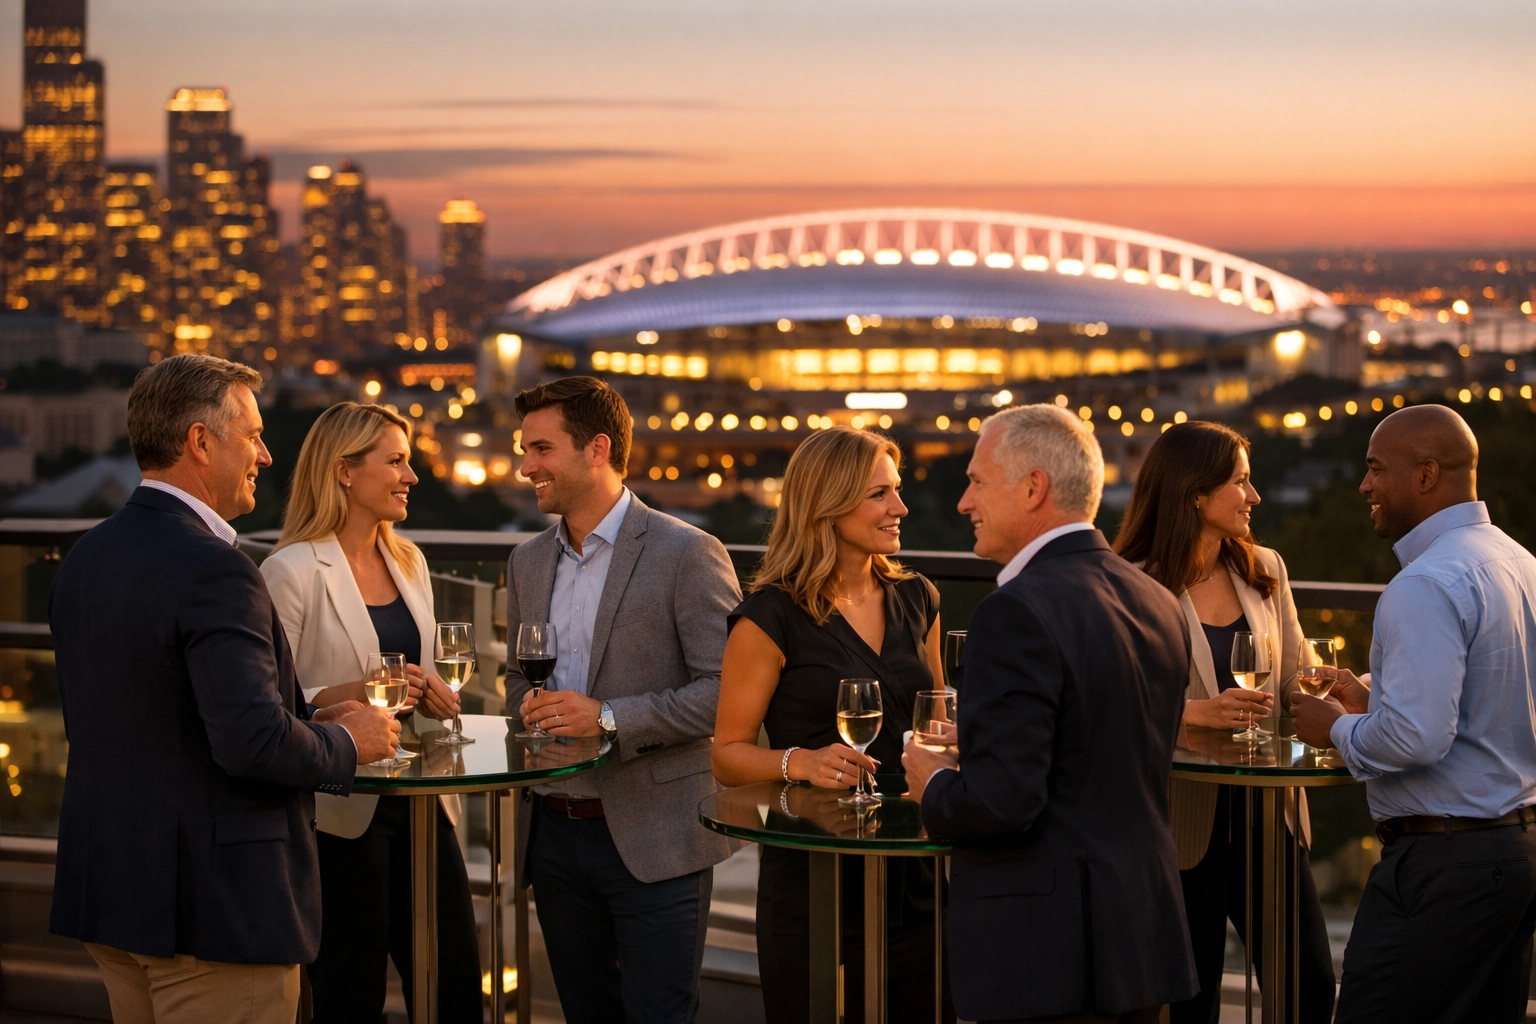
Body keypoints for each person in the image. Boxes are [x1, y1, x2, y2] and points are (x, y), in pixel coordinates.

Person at [47, 355, 399, 1024]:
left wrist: (311, 708)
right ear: (201, 442)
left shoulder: (88, 556)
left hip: (115, 893)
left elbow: (151, 711)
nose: (265, 456)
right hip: (215, 915)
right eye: (254, 436)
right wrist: (349, 741)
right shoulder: (216, 569)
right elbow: (254, 745)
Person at [903, 403, 1197, 1024]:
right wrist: (988, 738)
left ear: (1033, 487)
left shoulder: (1014, 612)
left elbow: (1003, 803)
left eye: (978, 481)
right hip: (1139, 938)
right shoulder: (1155, 598)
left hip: (1047, 956)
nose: (963, 502)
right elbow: (1103, 744)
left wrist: (932, 784)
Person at [503, 376, 741, 1024]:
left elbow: (728, 695)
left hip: (656, 835)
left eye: (541, 448)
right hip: (551, 834)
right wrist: (528, 705)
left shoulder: (688, 552)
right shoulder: (525, 561)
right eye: (524, 449)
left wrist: (607, 719)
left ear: (597, 448)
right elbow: (516, 680)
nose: (525, 467)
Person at [1292, 404, 1536, 1024]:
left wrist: (1335, 728)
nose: (1364, 485)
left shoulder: (1427, 582)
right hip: (1513, 856)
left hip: (1443, 871)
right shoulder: (1519, 563)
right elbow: (1485, 707)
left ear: (1426, 475)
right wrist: (1375, 702)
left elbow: (1418, 739)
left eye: (1376, 469)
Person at [713, 426, 953, 1023]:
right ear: (828, 503)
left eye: (896, 491)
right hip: (815, 879)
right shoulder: (769, 617)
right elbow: (728, 754)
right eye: (880, 494)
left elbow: (936, 725)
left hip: (915, 874)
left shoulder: (918, 597)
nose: (900, 507)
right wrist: (802, 762)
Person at [260, 402, 480, 1022]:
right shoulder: (291, 571)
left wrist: (437, 692)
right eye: (397, 461)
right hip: (339, 811)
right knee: (349, 993)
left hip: (422, 799)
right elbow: (277, 705)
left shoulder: (410, 561)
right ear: (344, 471)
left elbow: (428, 671)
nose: (411, 476)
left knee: (455, 982)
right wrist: (354, 688)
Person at [1113, 420, 1334, 1024]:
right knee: (1190, 1003)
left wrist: (1342, 694)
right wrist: (1189, 714)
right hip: (1181, 824)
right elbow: (1106, 705)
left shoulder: (1266, 568)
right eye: (1240, 481)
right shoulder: (1128, 580)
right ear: (1194, 493)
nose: (1254, 496)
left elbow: (1296, 678)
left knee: (1309, 991)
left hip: (1270, 818)